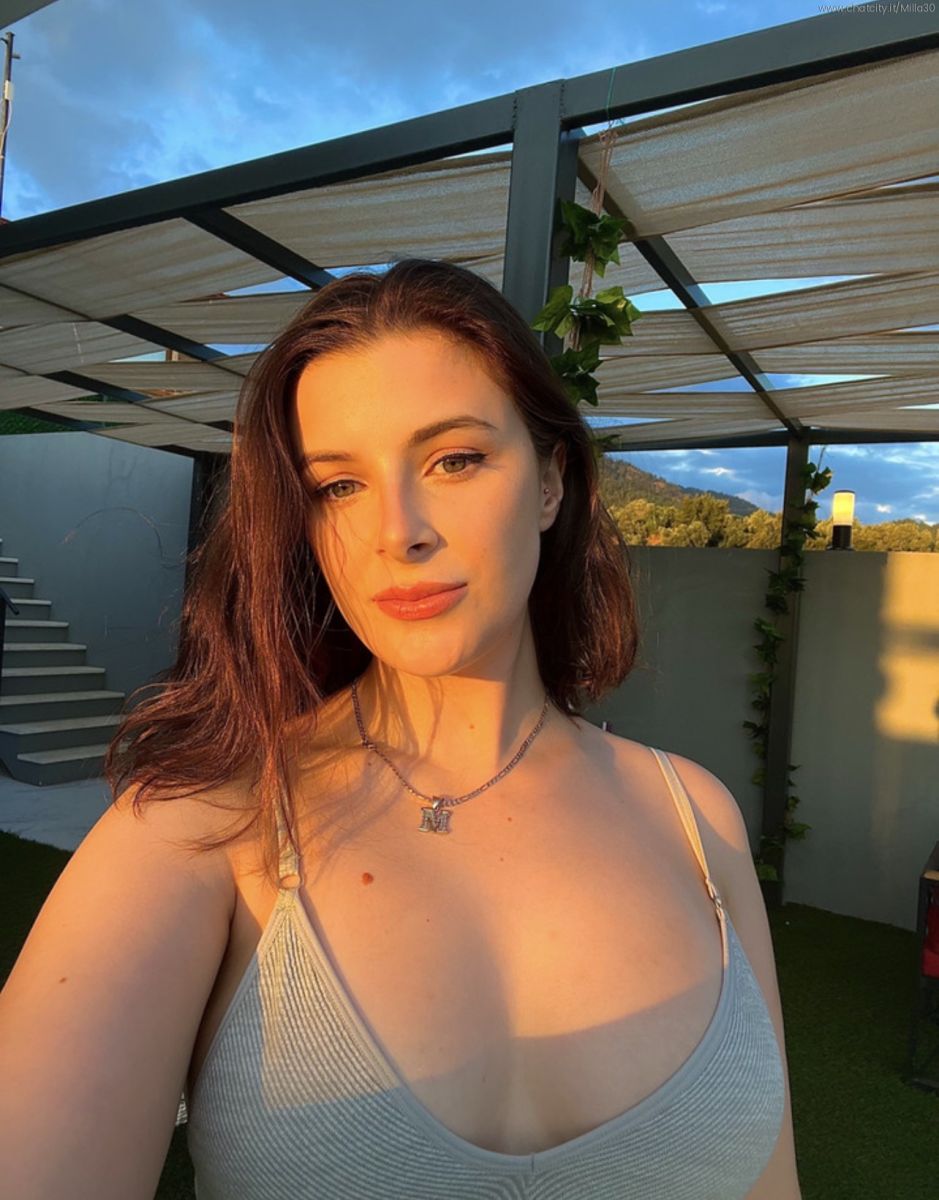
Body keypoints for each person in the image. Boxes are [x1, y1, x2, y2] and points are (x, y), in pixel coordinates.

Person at [0, 258, 800, 1198]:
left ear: (550, 482)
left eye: (453, 460)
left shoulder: (695, 820)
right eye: (338, 485)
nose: (397, 531)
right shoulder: (201, 830)